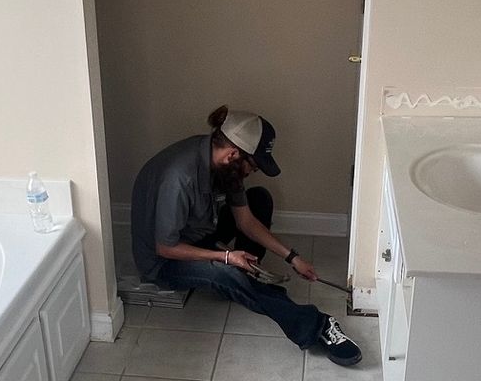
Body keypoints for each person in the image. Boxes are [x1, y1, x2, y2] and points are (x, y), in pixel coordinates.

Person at [130, 105, 362, 366]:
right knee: (225, 274)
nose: (252, 172)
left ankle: (243, 278)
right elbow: (165, 247)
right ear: (234, 154)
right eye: (253, 166)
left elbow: (246, 221)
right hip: (165, 259)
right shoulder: (179, 178)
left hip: (198, 232)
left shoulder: (222, 163)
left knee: (260, 198)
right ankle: (316, 325)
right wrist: (226, 258)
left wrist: (293, 258)